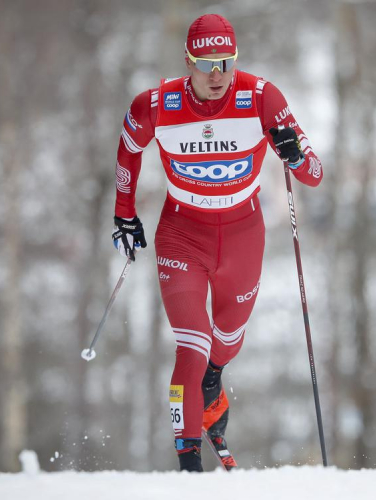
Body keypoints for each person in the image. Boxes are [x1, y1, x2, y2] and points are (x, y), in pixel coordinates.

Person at [110, 14, 323, 472]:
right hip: (182, 234)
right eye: (205, 63)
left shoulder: (262, 97)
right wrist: (123, 213)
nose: (216, 74)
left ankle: (213, 381)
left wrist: (295, 154)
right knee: (193, 342)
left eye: (224, 62)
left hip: (243, 234)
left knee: (227, 340)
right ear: (187, 61)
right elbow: (129, 147)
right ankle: (189, 466)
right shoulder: (157, 104)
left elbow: (315, 175)